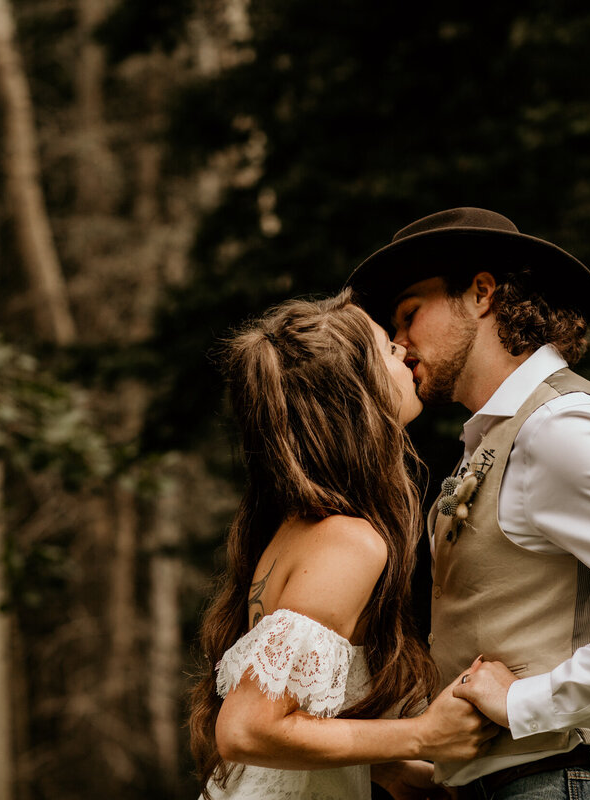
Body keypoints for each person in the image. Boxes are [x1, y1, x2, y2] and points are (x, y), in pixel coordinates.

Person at [346, 207, 590, 799]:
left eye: (409, 313)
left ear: (480, 294)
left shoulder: (558, 425)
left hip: (576, 779)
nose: (398, 342)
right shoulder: (501, 437)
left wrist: (527, 703)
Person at [190, 291, 497, 800]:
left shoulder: (300, 527)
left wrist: (395, 769)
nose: (403, 349)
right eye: (385, 349)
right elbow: (246, 729)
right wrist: (425, 735)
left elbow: (299, 723)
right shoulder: (348, 541)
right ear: (356, 393)